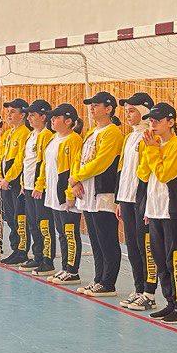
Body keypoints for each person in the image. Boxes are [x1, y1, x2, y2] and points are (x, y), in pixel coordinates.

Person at [138, 102, 177, 323]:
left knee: (175, 260)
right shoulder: (153, 144)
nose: (152, 125)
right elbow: (143, 174)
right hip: (155, 210)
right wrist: (148, 148)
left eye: (157, 120)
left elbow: (164, 174)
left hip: (173, 212)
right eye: (150, 121)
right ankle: (170, 302)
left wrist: (153, 150)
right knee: (159, 260)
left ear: (170, 122)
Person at [71, 92, 125, 296]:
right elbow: (79, 158)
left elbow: (102, 162)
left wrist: (77, 176)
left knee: (107, 239)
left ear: (108, 108)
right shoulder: (92, 131)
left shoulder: (112, 133)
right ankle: (98, 279)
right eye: (91, 105)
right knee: (95, 239)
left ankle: (108, 282)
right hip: (87, 193)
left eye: (96, 105)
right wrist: (75, 181)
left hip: (103, 194)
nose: (92, 108)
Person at [116, 92, 157, 311]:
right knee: (132, 247)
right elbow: (122, 170)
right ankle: (139, 288)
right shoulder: (129, 137)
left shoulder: (150, 137)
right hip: (126, 199)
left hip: (142, 201)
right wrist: (119, 199)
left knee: (145, 248)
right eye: (126, 111)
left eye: (132, 111)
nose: (128, 115)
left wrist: (148, 203)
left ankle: (150, 293)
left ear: (144, 112)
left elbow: (151, 173)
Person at [39, 103, 83, 280]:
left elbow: (74, 168)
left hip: (66, 196)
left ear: (68, 121)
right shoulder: (53, 139)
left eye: (56, 118)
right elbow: (45, 165)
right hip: (53, 195)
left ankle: (72, 270)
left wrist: (70, 194)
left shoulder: (74, 140)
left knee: (70, 233)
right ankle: (65, 267)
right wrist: (41, 185)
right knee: (62, 233)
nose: (52, 120)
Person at [17, 100, 55, 272]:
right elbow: (26, 161)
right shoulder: (31, 135)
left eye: (33, 115)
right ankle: (37, 256)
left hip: (40, 188)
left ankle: (47, 259)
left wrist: (40, 185)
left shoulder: (46, 135)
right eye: (29, 115)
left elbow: (44, 163)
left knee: (44, 224)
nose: (29, 118)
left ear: (43, 116)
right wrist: (23, 183)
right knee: (32, 223)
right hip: (28, 186)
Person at [0, 99, 32, 264]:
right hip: (5, 181)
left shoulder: (24, 133)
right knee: (10, 218)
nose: (9, 115)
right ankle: (15, 248)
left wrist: (8, 178)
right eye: (8, 111)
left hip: (16, 182)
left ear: (23, 115)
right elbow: (0, 157)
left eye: (13, 112)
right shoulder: (7, 134)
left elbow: (19, 161)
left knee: (20, 218)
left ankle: (22, 250)